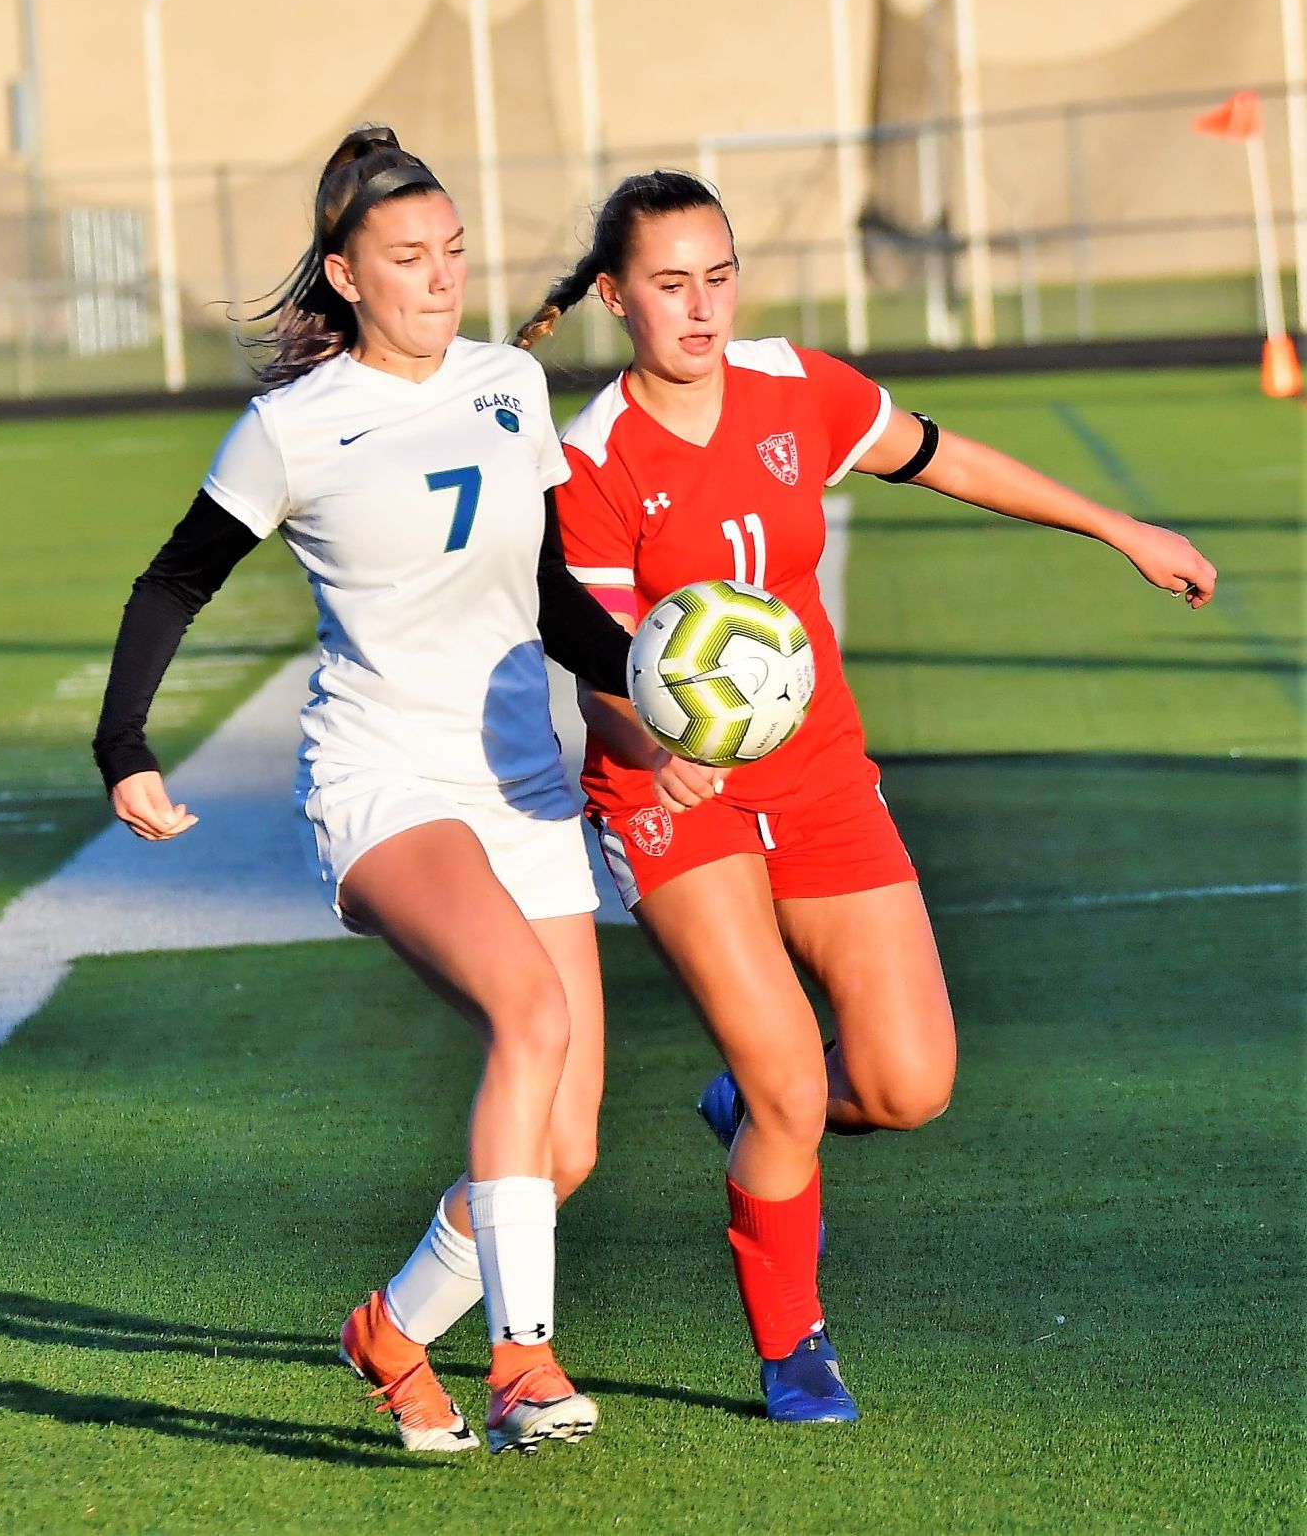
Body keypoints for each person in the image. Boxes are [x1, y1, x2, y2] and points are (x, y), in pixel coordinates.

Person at [514, 170, 1217, 1424]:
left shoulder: (798, 386)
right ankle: (793, 1350)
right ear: (616, 297)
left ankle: (751, 1107)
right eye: (670, 286)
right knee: (792, 1078)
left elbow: (941, 458)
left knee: (904, 1084)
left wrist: (1119, 528)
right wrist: (653, 739)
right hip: (671, 796)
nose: (701, 309)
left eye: (718, 278)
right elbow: (596, 657)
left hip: (822, 772)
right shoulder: (591, 459)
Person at [92, 128, 636, 1456]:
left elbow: (549, 595)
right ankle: (523, 1358)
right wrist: (125, 745)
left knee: (562, 1151)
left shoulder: (510, 381)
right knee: (530, 1004)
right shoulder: (291, 426)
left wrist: (652, 689)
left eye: (453, 251)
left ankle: (390, 1334)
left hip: (522, 779)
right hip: (384, 771)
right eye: (408, 257)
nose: (440, 276)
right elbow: (173, 581)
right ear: (344, 272)